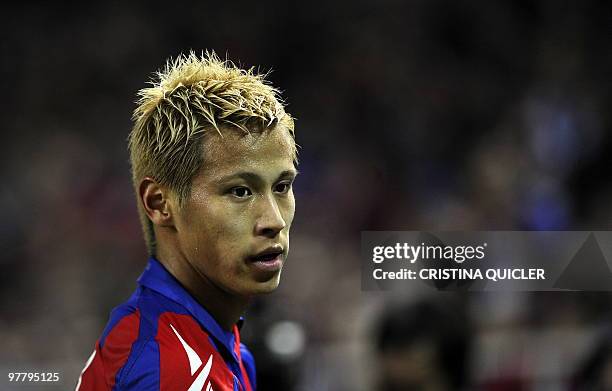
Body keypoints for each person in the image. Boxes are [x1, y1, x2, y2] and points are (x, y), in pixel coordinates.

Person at [76, 51, 297, 391]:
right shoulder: (170, 372)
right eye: (239, 191)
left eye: (282, 186)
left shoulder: (215, 343)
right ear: (159, 203)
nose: (273, 220)